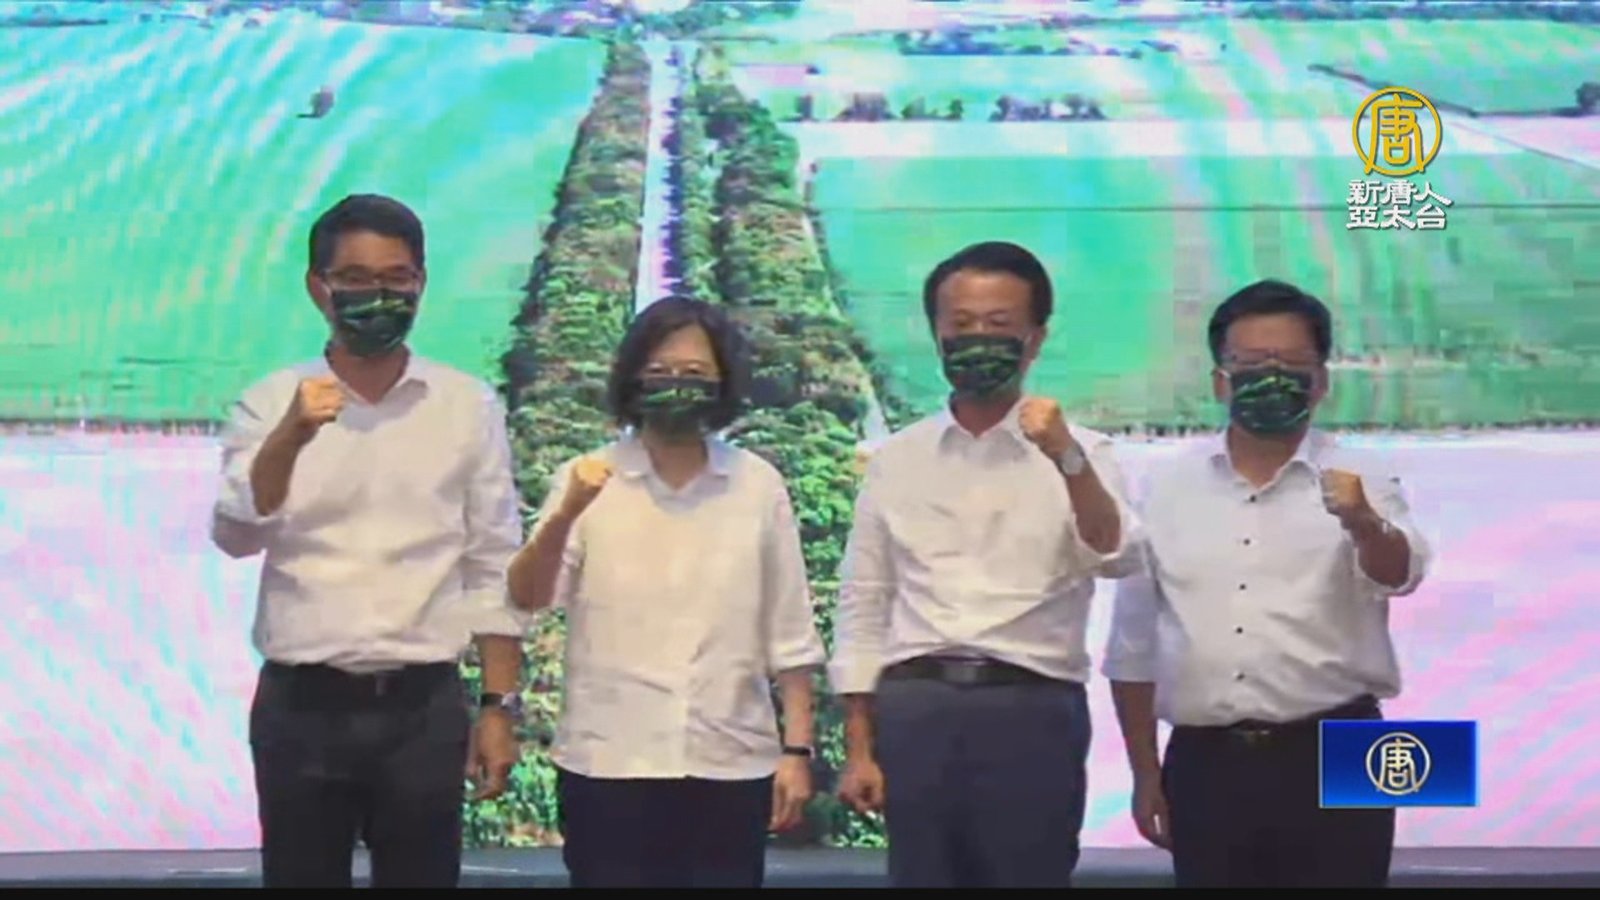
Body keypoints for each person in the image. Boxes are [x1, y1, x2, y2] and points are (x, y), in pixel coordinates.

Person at [210, 194, 526, 888]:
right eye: (355, 279)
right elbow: (236, 534)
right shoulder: (272, 401)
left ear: (421, 283)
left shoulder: (465, 406)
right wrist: (290, 436)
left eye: (396, 278)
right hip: (302, 707)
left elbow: (493, 561)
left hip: (423, 709)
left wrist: (498, 706)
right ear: (318, 287)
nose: (378, 296)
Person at [1102, 279, 1433, 888]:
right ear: (1220, 380)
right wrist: (1145, 774)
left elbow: (1400, 574)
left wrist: (1362, 520)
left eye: (1291, 363)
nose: (1272, 378)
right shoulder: (1167, 487)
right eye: (1253, 363)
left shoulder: (1363, 474)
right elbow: (1132, 645)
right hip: (1206, 757)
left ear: (1321, 380)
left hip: (1343, 742)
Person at [829, 241, 1140, 888]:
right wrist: (859, 744)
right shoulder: (898, 459)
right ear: (937, 334)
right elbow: (864, 600)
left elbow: (1117, 554)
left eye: (999, 324)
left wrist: (1068, 460)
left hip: (1032, 708)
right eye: (961, 324)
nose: (977, 339)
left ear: (1035, 338)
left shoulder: (1085, 453)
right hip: (918, 706)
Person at [506, 296, 825, 889]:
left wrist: (798, 751)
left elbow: (790, 630)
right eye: (660, 371)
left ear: (722, 382)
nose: (677, 385)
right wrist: (568, 511)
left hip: (730, 762)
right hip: (609, 763)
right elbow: (527, 595)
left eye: (695, 372)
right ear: (632, 379)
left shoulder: (757, 486)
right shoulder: (586, 477)